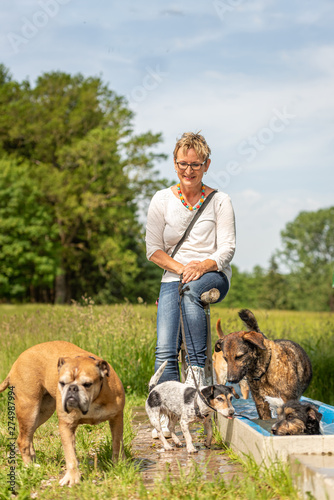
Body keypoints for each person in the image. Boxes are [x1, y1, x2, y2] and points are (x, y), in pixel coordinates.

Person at [145, 132, 236, 436]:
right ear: (174, 163)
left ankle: (196, 374)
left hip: (212, 274)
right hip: (175, 275)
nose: (188, 170)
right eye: (183, 164)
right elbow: (153, 250)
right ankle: (164, 414)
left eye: (195, 164)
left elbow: (227, 249)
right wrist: (183, 267)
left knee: (193, 290)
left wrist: (201, 265)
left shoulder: (220, 200)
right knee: (164, 350)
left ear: (206, 165)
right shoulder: (161, 199)